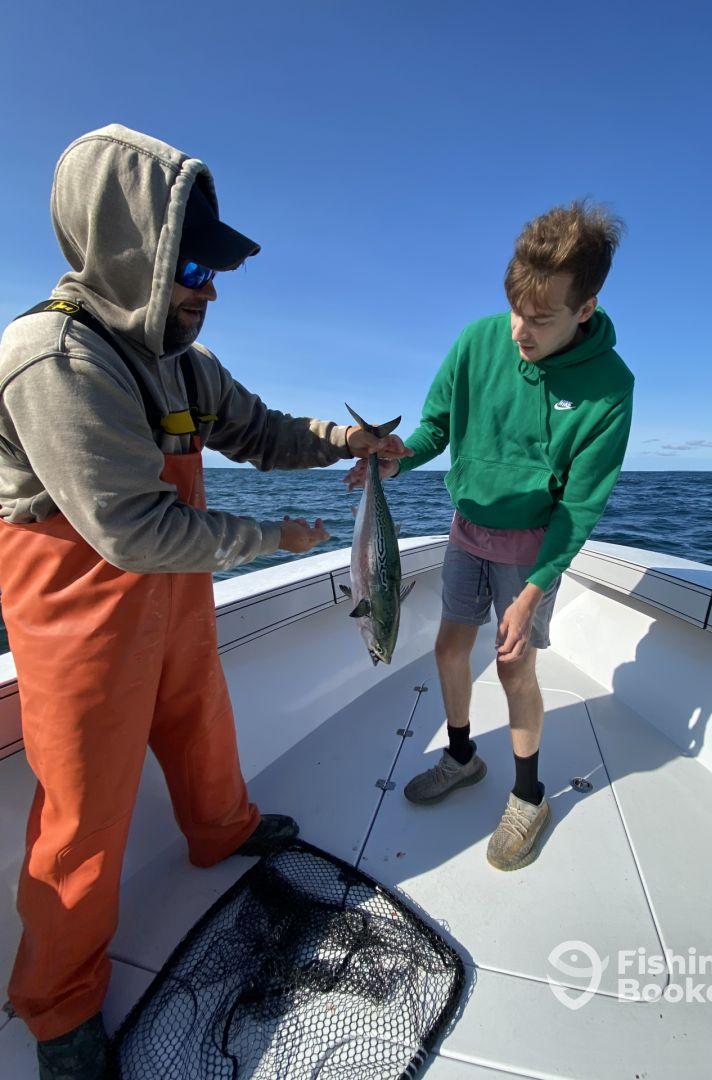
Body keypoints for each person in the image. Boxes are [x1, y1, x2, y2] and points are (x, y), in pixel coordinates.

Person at [0, 123, 410, 1079]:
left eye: (213, 269)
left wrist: (349, 445)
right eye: (192, 265)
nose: (209, 288)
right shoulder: (55, 359)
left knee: (199, 715)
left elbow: (261, 431)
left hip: (173, 593)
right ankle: (57, 1009)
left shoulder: (183, 360)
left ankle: (219, 828)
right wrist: (275, 539)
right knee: (83, 809)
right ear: (131, 254)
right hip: (80, 604)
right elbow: (131, 530)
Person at [345, 201, 634, 873]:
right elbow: (435, 427)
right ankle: (461, 756)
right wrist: (394, 459)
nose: (520, 333)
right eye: (515, 311)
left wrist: (535, 590)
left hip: (533, 549)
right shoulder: (478, 340)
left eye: (541, 319)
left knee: (513, 666)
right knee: (450, 649)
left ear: (586, 307)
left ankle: (529, 796)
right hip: (466, 533)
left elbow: (581, 504)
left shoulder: (610, 388)